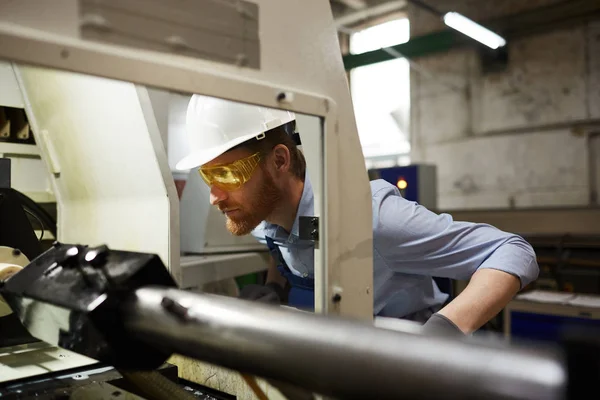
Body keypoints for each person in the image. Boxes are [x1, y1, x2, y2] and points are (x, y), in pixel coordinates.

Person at [176, 94, 539, 336]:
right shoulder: (265, 214)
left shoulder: (369, 218)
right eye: (208, 176)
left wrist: (444, 331)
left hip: (411, 351)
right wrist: (275, 286)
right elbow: (288, 239)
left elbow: (512, 250)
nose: (214, 196)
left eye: (227, 174)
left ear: (280, 160)